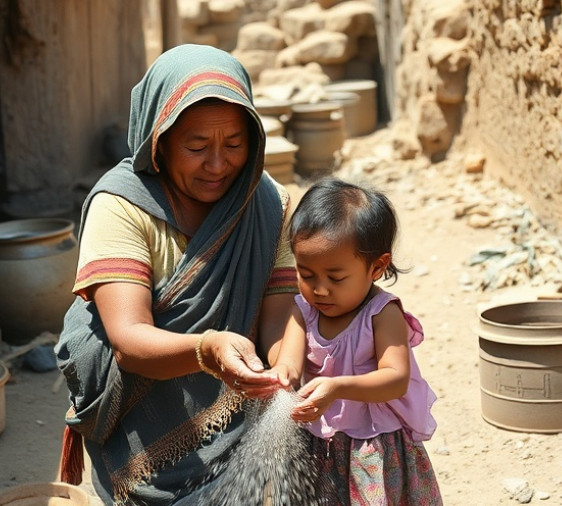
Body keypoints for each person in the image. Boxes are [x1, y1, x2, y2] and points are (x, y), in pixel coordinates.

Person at [53, 44, 298, 505]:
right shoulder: (120, 208)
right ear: (158, 141)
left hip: (238, 424)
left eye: (235, 144)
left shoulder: (267, 204)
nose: (218, 164)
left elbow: (278, 318)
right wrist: (208, 349)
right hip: (142, 445)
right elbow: (129, 339)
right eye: (197, 146)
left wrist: (283, 369)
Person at [271, 177, 443, 505]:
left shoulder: (382, 314)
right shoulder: (302, 312)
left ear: (376, 267)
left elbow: (395, 379)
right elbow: (288, 366)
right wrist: (277, 379)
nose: (319, 289)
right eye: (306, 275)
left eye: (335, 278)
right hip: (319, 445)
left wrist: (336, 387)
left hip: (374, 446)